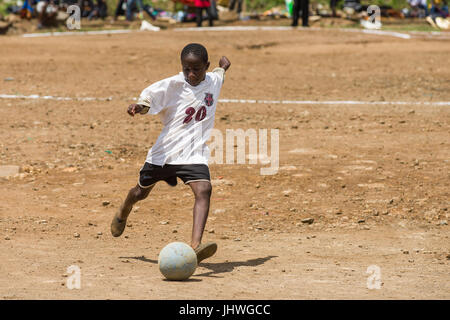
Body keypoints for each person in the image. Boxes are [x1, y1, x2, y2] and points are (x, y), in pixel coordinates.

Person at [111, 43, 231, 264]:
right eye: (187, 69)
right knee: (140, 193)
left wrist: (224, 67)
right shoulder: (172, 85)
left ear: (207, 66)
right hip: (164, 154)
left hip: (193, 153)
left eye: (197, 69)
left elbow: (219, 74)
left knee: (204, 189)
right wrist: (138, 107)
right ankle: (123, 210)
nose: (191, 74)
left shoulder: (213, 80)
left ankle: (195, 247)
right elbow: (149, 101)